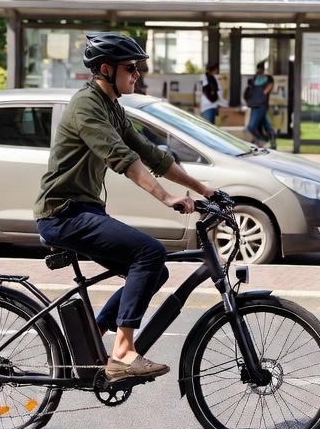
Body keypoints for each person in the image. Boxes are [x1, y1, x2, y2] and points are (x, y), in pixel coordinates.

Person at [35, 32, 226, 381]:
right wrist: (166, 197)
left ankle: (92, 338)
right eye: (131, 68)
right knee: (149, 253)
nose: (138, 74)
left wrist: (205, 191)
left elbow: (152, 155)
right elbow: (122, 157)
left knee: (156, 270)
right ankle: (122, 354)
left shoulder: (112, 108)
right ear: (106, 69)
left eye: (138, 68)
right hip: (63, 213)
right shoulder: (87, 106)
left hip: (84, 211)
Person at [245, 62, 277, 149]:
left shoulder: (268, 78)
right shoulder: (255, 78)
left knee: (251, 127)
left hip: (260, 104)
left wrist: (263, 93)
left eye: (261, 69)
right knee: (266, 124)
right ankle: (270, 140)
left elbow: (269, 88)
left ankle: (262, 140)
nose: (259, 70)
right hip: (255, 104)